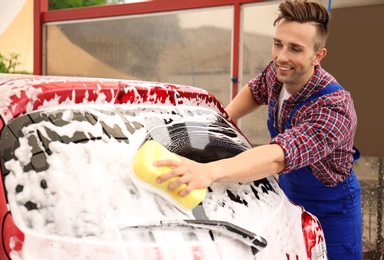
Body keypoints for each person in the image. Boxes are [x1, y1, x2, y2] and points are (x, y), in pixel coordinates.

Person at [154, 0, 362, 258]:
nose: (282, 57)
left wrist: (208, 171)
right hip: (286, 193)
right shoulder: (279, 72)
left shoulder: (334, 108)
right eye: (278, 44)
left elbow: (278, 156)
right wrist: (220, 123)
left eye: (296, 49)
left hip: (332, 207)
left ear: (318, 56)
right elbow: (256, 90)